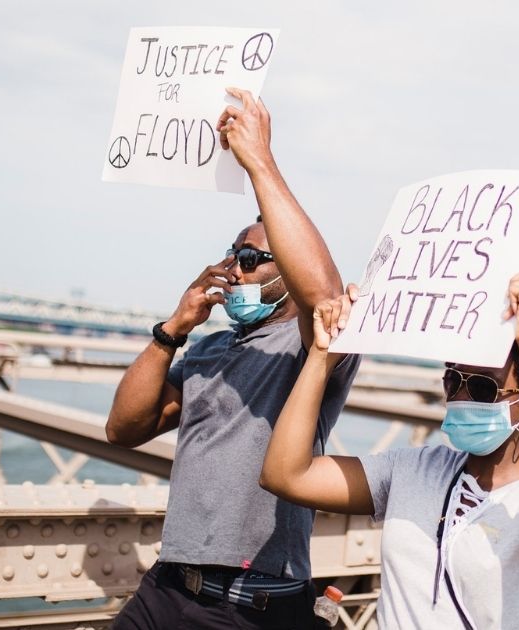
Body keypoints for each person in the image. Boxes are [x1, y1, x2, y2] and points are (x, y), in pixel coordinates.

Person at [260, 243, 519, 629]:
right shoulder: (414, 468)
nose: (462, 396)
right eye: (454, 379)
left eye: (483, 387)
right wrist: (321, 356)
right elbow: (285, 475)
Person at [106, 87, 360, 629]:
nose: (234, 268)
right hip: (168, 587)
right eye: (232, 256)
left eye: (250, 258)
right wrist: (172, 330)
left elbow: (323, 291)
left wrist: (260, 163)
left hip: (252, 605)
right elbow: (124, 429)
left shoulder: (311, 343)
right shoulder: (209, 350)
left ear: (286, 270)